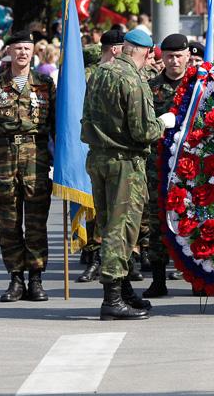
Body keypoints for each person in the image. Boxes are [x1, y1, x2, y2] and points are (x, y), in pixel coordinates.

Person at [81, 28, 174, 321]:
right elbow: (142, 130)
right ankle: (112, 298)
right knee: (122, 230)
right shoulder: (132, 79)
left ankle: (122, 290)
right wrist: (164, 123)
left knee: (108, 224)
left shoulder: (99, 72)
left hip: (99, 157)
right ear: (144, 53)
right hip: (125, 163)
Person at [0, 31, 56, 303]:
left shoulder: (44, 84)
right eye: (18, 48)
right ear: (9, 51)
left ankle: (36, 278)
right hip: (5, 157)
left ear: (33, 52)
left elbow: (57, 126)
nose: (22, 53)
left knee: (36, 222)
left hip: (37, 158)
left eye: (27, 48)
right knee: (9, 222)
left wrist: (59, 161)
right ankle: (15, 278)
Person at [142, 33, 189, 298]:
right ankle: (158, 279)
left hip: (191, 163)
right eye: (169, 56)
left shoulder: (198, 86)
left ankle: (196, 277)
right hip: (158, 164)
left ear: (187, 56)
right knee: (157, 220)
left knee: (191, 219)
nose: (174, 61)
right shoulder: (152, 87)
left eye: (178, 56)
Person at [76, 28, 125, 283]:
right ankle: (96, 258)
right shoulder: (87, 76)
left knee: (103, 208)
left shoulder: (113, 74)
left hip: (100, 146)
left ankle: (107, 261)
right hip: (88, 144)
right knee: (95, 206)